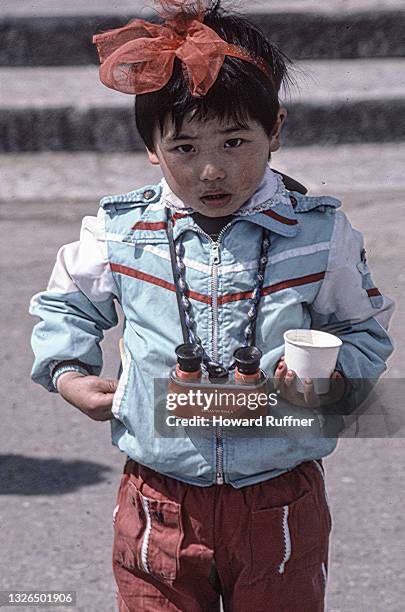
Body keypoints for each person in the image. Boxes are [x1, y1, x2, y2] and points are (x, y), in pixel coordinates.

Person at [29, 1, 394, 610]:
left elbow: (361, 329)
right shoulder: (121, 233)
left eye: (234, 141)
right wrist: (67, 372)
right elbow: (66, 306)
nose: (211, 170)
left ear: (274, 129)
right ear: (151, 147)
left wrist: (334, 375)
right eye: (184, 148)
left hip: (278, 496)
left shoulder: (318, 236)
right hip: (158, 497)